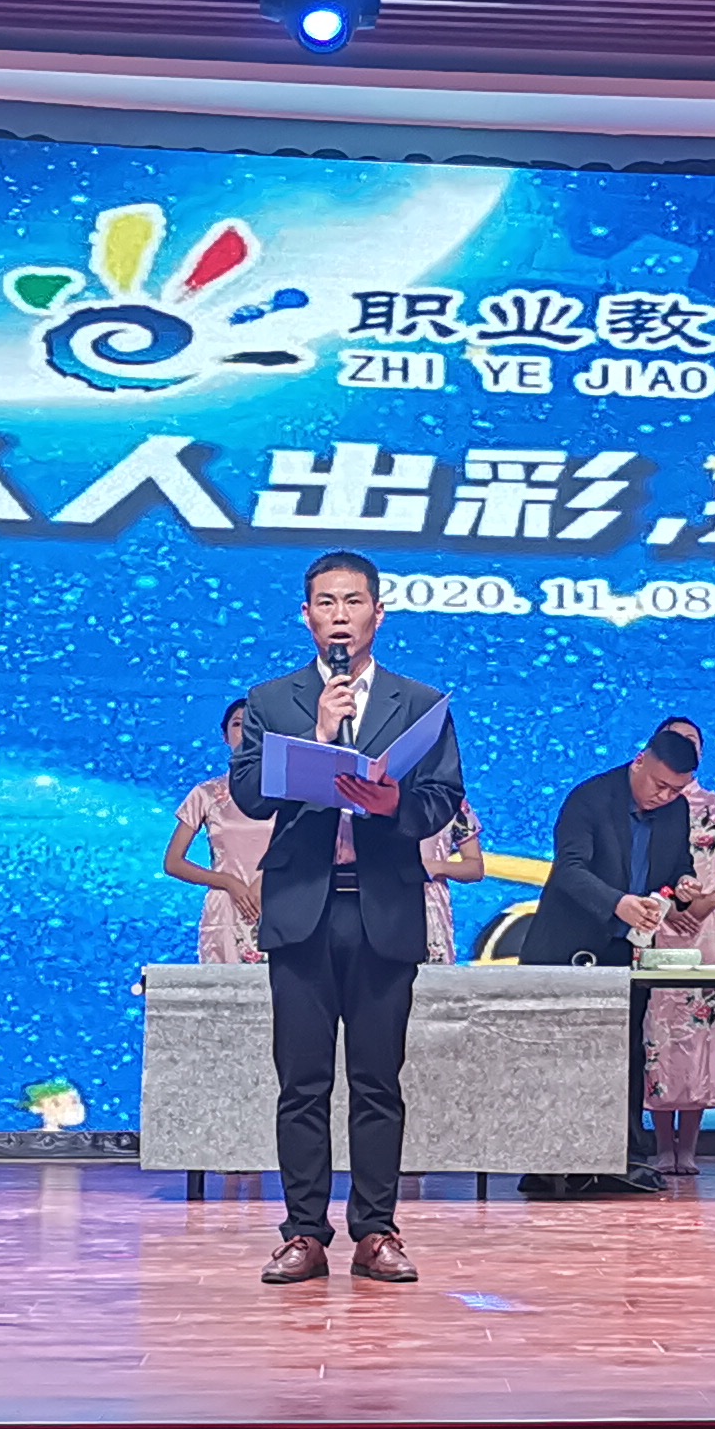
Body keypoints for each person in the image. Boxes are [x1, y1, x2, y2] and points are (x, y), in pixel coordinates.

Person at [231, 550, 464, 1284]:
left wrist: (395, 804)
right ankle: (303, 1231)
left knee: (377, 1081)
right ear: (307, 616)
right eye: (326, 603)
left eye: (353, 602)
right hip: (304, 907)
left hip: (382, 906)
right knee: (302, 1083)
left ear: (378, 613)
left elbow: (444, 796)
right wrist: (320, 737)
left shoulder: (418, 702)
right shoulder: (273, 700)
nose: (340, 616)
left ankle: (377, 1230)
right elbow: (248, 795)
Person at [526, 726, 702, 972]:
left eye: (676, 790)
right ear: (639, 761)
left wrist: (684, 882)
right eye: (659, 785)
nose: (665, 796)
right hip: (568, 948)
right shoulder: (590, 798)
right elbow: (569, 869)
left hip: (628, 951)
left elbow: (680, 865)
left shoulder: (677, 809)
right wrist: (616, 903)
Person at [166, 699, 277, 963]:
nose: (246, 731)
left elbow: (307, 850)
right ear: (225, 736)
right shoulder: (206, 794)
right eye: (238, 724)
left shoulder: (288, 793)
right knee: (223, 987)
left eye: (254, 725)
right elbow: (173, 862)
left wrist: (268, 877)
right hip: (225, 909)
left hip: (278, 903)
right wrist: (228, 882)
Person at [644, 717, 715, 964]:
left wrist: (711, 901)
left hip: (706, 920)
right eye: (674, 739)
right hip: (653, 917)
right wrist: (668, 909)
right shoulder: (646, 803)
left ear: (700, 754)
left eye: (690, 741)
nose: (682, 745)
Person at [422, 791, 486, 963]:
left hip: (430, 905)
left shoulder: (452, 802)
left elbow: (475, 868)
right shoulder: (370, 796)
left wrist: (434, 867)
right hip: (380, 900)